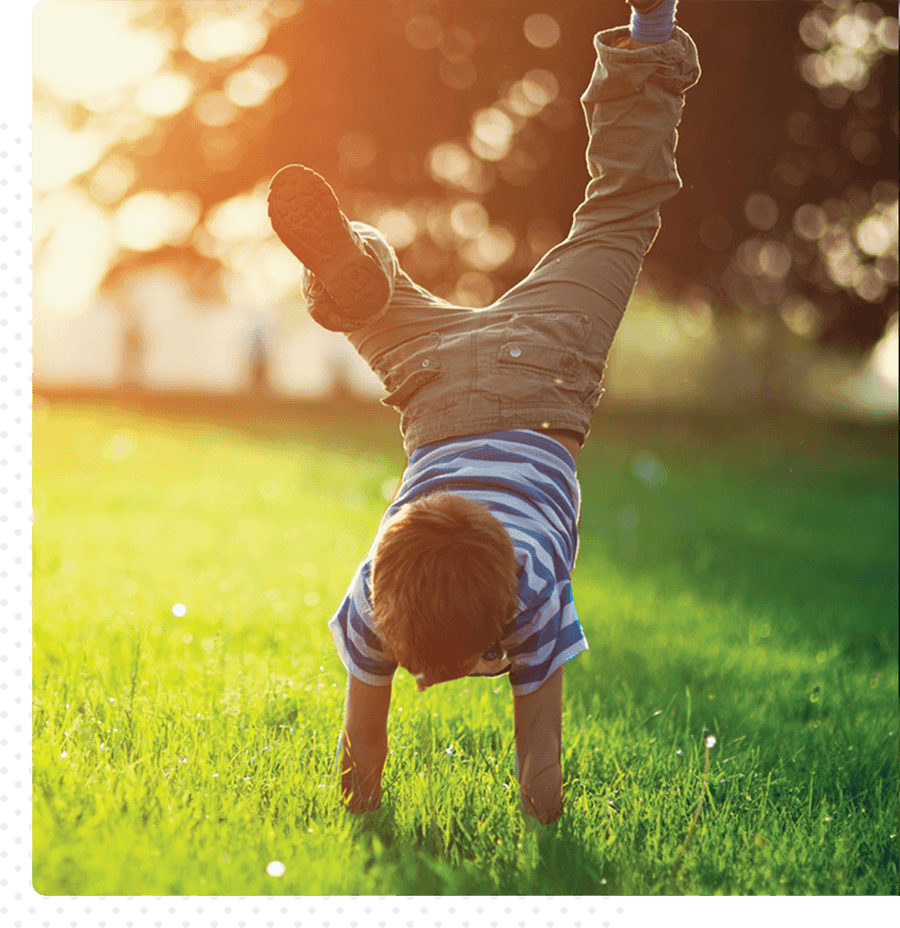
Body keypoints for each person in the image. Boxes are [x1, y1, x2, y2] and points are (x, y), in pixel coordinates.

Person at [267, 0, 700, 825]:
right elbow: (511, 762)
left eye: (424, 669)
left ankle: (650, 28)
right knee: (375, 308)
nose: (424, 680)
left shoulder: (529, 590)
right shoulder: (372, 591)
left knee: (620, 210)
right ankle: (354, 280)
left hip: (539, 374)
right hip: (435, 387)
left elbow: (400, 759)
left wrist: (368, 822)